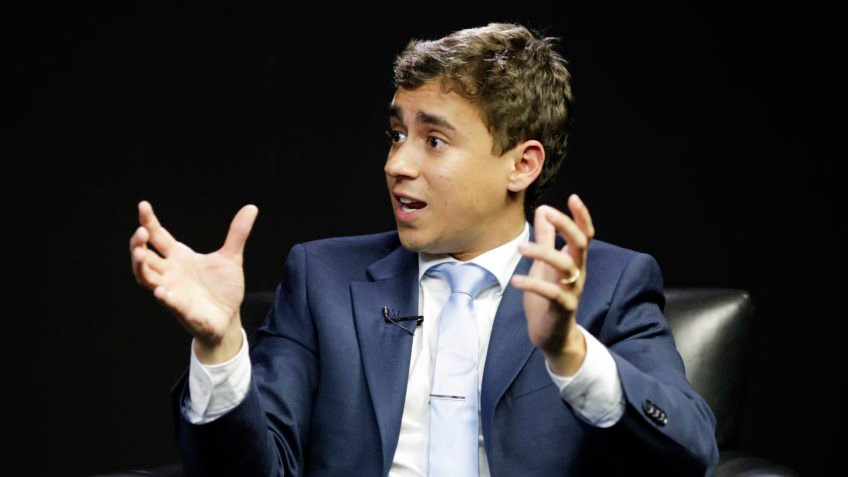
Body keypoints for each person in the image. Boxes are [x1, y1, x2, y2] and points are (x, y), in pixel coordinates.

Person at [129, 23, 718, 476]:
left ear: (521, 164)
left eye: (434, 140)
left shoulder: (608, 284)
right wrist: (220, 348)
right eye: (397, 135)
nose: (396, 164)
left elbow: (690, 453)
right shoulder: (321, 278)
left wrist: (570, 353)